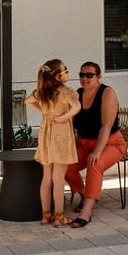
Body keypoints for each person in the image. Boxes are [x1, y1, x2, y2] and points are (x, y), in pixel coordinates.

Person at [65, 61, 125, 228]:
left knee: (95, 164)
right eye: (82, 75)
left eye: (89, 75)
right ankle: (84, 195)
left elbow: (106, 126)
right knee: (64, 164)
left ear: (98, 77)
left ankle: (86, 212)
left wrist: (97, 151)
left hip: (110, 144)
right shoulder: (77, 95)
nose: (85, 78)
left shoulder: (107, 93)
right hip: (84, 144)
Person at [26, 59, 80, 227]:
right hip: (60, 133)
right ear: (58, 76)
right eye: (66, 70)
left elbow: (28, 101)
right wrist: (64, 117)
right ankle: (59, 216)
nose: (67, 72)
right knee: (59, 178)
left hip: (45, 134)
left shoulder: (42, 92)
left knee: (46, 177)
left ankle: (45, 215)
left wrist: (44, 112)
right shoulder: (64, 92)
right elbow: (76, 107)